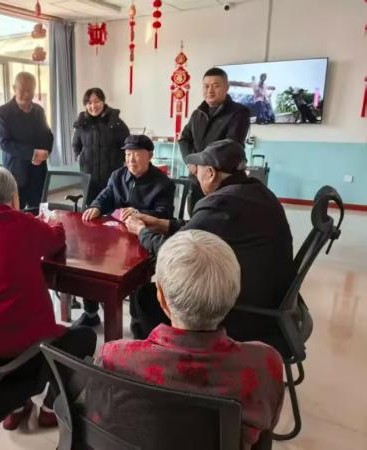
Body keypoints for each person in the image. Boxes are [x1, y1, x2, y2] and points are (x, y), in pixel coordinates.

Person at [94, 230, 284, 450]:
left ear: (161, 299)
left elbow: (100, 423)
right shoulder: (265, 364)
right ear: (234, 296)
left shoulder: (114, 358)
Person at [0, 167, 96, 429]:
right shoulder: (25, 224)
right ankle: (50, 408)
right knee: (85, 337)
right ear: (14, 196)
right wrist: (50, 223)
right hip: (20, 346)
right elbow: (56, 240)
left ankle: (17, 405)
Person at [125, 139, 295, 346]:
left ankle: (160, 358)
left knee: (144, 297)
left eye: (198, 169)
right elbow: (202, 228)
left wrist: (141, 231)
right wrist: (161, 223)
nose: (195, 174)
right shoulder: (255, 191)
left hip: (245, 313)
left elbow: (173, 252)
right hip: (272, 302)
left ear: (211, 173)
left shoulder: (221, 203)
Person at [75, 134, 175, 328]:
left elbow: (165, 215)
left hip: (144, 238)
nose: (131, 159)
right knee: (90, 259)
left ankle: (137, 321)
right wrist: (96, 206)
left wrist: (140, 214)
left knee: (135, 274)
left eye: (136, 154)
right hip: (116, 237)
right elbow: (106, 196)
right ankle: (91, 312)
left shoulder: (163, 183)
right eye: (128, 154)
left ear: (150, 156)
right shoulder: (118, 175)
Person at [178, 67, 251, 213]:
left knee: (219, 221)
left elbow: (230, 146)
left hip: (222, 183)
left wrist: (202, 166)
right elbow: (184, 139)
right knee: (196, 218)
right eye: (206, 86)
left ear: (227, 87)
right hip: (197, 179)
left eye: (215, 86)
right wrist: (191, 162)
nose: (210, 91)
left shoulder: (239, 113)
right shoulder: (198, 114)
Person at [0, 72, 53, 209]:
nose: (27, 94)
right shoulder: (3, 112)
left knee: (40, 210)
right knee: (16, 212)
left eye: (30, 90)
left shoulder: (38, 110)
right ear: (14, 88)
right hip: (16, 173)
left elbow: (47, 135)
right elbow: (4, 143)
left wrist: (45, 152)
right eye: (22, 90)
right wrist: (33, 154)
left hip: (38, 171)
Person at [73, 87, 130, 203]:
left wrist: (125, 163)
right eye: (89, 103)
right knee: (90, 205)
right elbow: (76, 144)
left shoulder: (116, 122)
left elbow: (127, 146)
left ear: (103, 102)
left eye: (97, 101)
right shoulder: (82, 123)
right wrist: (79, 157)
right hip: (88, 175)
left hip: (111, 175)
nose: (93, 106)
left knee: (110, 206)